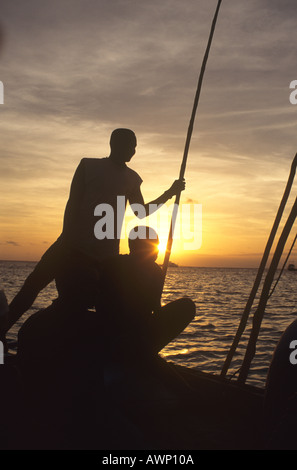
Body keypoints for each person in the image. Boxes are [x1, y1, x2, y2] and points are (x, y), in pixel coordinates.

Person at [0, 129, 185, 338]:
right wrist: (67, 241)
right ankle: (2, 330)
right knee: (32, 286)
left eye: (135, 146)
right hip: (71, 245)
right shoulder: (88, 165)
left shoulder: (133, 179)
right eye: (130, 145)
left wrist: (169, 193)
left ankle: (103, 349)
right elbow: (72, 204)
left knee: (101, 305)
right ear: (114, 144)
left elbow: (140, 212)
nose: (134, 150)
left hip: (105, 256)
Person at [98, 226, 196, 366]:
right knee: (187, 307)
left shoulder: (112, 263)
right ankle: (143, 356)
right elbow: (155, 309)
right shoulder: (150, 271)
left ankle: (143, 354)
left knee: (186, 306)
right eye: (154, 245)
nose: (157, 250)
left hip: (124, 334)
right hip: (124, 336)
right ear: (141, 247)